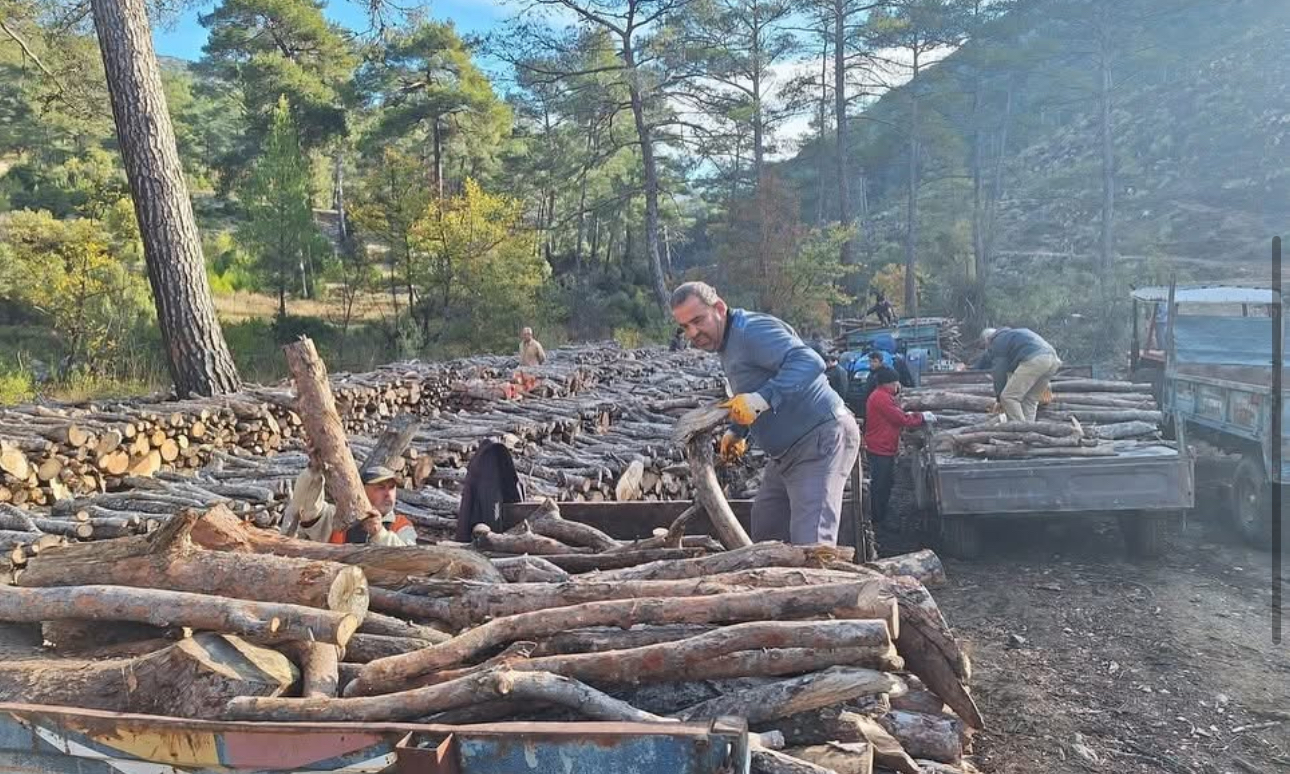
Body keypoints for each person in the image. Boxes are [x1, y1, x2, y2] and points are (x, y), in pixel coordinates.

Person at [670, 281, 861, 545]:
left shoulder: (751, 331)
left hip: (819, 439)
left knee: (811, 543)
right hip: (785, 455)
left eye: (698, 320)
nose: (692, 332)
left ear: (720, 308)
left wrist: (762, 399)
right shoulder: (727, 343)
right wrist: (738, 432)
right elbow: (752, 389)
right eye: (685, 327)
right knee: (768, 530)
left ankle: (819, 585)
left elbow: (809, 362)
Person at [863, 367, 935, 526]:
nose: (898, 386)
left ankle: (880, 514)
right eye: (896, 383)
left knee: (885, 482)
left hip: (882, 445)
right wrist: (921, 417)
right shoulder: (881, 398)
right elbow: (900, 419)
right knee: (881, 484)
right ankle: (878, 518)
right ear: (889, 384)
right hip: (880, 447)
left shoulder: (881, 396)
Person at [284, 465, 417, 546]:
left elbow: (412, 560)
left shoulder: (401, 525)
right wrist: (313, 471)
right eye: (380, 488)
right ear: (362, 490)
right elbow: (307, 509)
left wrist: (380, 534)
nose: (388, 494)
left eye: (392, 488)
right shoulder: (337, 516)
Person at [972, 327, 1062, 422]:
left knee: (1008, 397)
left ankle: (1021, 429)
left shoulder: (998, 342)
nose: (988, 349)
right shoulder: (1012, 336)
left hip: (1035, 359)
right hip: (1053, 360)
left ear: (988, 339)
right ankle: (1029, 429)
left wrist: (999, 397)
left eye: (987, 346)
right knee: (1030, 399)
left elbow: (999, 371)